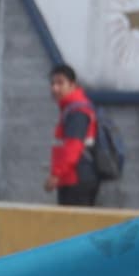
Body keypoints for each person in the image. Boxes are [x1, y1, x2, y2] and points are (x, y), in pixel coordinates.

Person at [47, 67, 118, 206]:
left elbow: (73, 147)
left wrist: (56, 175)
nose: (55, 88)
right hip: (75, 177)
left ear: (73, 85)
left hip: (77, 178)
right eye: (53, 84)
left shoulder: (77, 111)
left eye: (60, 83)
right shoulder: (72, 108)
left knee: (73, 225)